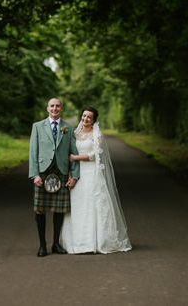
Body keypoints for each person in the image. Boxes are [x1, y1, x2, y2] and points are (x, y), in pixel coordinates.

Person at [60, 106, 132, 254]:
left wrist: (75, 158)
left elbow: (95, 155)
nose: (85, 119)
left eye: (89, 117)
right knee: (78, 204)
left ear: (93, 120)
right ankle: (77, 241)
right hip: (77, 173)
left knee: (92, 204)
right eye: (84, 116)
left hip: (91, 172)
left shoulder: (97, 135)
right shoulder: (75, 133)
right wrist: (70, 173)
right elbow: (68, 152)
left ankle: (95, 241)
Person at [28, 97, 80, 257]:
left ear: (61, 109)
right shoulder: (37, 126)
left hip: (61, 172)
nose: (55, 108)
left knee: (59, 210)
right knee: (40, 211)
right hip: (43, 173)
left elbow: (73, 153)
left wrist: (74, 175)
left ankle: (56, 244)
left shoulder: (68, 128)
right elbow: (33, 152)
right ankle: (42, 245)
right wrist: (35, 174)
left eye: (58, 106)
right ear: (47, 108)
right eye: (52, 106)